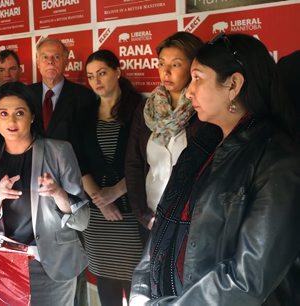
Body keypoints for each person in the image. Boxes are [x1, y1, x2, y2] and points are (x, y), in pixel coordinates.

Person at [130, 33, 300, 305]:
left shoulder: (277, 160)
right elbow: (161, 229)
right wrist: (140, 293)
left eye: (198, 78)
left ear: (233, 85)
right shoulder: (199, 146)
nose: (189, 90)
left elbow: (248, 278)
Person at [0, 82, 89, 306]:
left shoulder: (59, 151)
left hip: (49, 266)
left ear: (32, 116)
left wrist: (58, 193)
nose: (11, 121)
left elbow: (82, 221)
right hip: (2, 265)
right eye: (3, 114)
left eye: (19, 113)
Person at [29, 36, 96, 306]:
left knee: (70, 255)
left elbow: (88, 145)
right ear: (36, 60)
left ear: (67, 59)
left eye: (56, 57)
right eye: (45, 57)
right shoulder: (26, 94)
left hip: (71, 188)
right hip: (32, 190)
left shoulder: (83, 97)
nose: (50, 62)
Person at [79, 49, 144, 306]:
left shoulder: (140, 110)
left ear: (118, 72)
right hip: (97, 218)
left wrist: (116, 191)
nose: (96, 81)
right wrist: (101, 200)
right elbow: (79, 160)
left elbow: (149, 161)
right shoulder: (85, 114)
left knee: (137, 286)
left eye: (102, 73)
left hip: (131, 214)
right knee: (106, 287)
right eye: (91, 76)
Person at [125, 32, 204, 230]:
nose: (166, 71)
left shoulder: (204, 110)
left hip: (191, 221)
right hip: (152, 217)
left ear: (194, 67)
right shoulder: (147, 108)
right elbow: (133, 164)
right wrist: (143, 215)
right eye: (161, 63)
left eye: (176, 64)